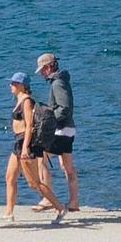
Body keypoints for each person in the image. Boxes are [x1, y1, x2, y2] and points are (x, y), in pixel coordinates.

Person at [0, 74, 59, 223]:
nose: (10, 85)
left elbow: (29, 126)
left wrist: (25, 147)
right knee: (10, 177)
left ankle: (59, 207)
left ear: (22, 85)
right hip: (17, 142)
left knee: (34, 183)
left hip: (25, 143)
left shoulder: (26, 101)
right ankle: (9, 212)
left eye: (13, 83)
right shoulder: (19, 100)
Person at [34, 51, 83, 216]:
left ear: (49, 67)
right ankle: (74, 201)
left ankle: (47, 198)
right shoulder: (62, 81)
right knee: (67, 166)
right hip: (68, 129)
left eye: (42, 69)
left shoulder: (57, 84)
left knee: (41, 158)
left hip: (60, 129)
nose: (41, 73)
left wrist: (48, 118)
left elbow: (64, 108)